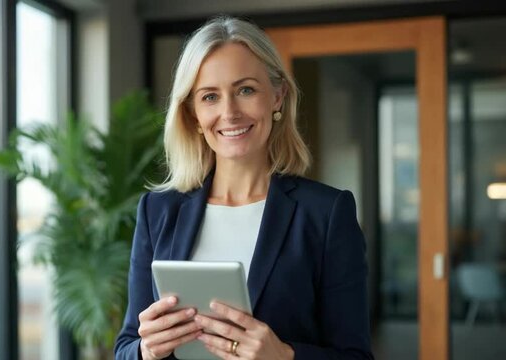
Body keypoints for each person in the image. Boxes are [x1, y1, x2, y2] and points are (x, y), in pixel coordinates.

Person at [114, 16, 373, 360]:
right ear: (192, 114)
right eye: (209, 97)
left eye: (246, 90)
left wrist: (283, 356)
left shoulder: (326, 214)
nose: (229, 112)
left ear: (277, 96)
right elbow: (126, 348)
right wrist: (145, 350)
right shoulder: (158, 211)